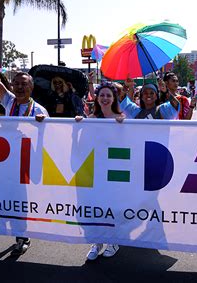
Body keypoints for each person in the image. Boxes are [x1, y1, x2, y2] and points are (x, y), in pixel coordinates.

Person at [0, 42, 48, 256]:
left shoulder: (39, 110)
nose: (19, 87)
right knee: (0, 192)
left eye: (24, 84)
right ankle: (6, 226)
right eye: (16, 83)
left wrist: (43, 124)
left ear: (31, 87)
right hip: (5, 160)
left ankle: (22, 235)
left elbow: (47, 139)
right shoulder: (9, 102)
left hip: (25, 162)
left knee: (21, 199)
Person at [76, 82, 125, 260]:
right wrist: (79, 126)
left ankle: (113, 240)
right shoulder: (91, 118)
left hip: (113, 171)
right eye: (102, 95)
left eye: (108, 96)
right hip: (95, 170)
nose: (105, 98)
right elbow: (83, 144)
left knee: (112, 206)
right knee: (95, 206)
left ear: (114, 99)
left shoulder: (121, 118)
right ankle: (97, 242)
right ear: (97, 98)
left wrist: (123, 126)